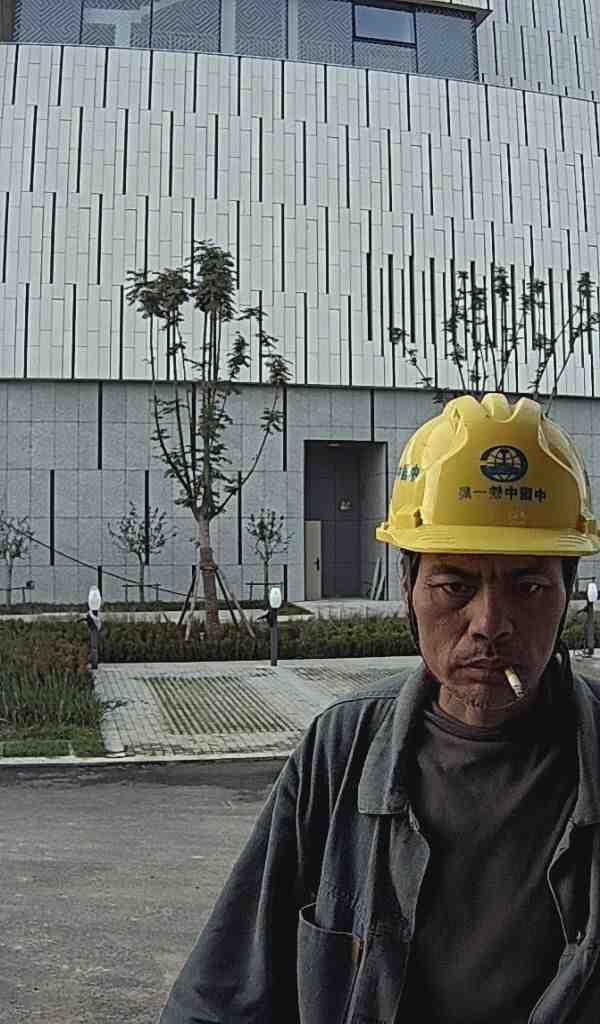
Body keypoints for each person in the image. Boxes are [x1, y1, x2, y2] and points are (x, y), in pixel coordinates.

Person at [159, 393, 600, 1024]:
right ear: (407, 589)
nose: (489, 623)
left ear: (567, 594)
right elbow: (219, 998)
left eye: (527, 585)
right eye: (454, 585)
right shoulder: (341, 751)